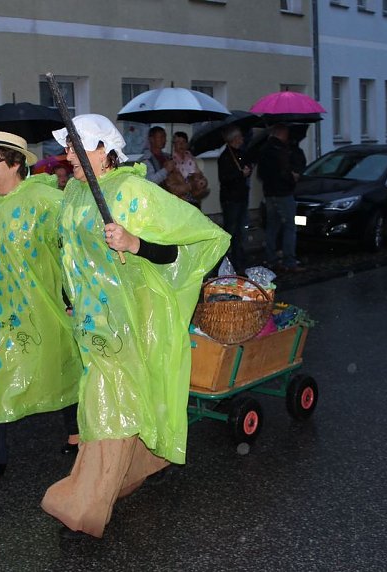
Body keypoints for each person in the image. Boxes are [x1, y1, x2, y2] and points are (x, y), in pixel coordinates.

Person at [41, 114, 229, 539]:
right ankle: (138, 465)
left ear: (102, 150)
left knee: (105, 403)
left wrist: (133, 243)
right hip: (91, 320)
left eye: (75, 145)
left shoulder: (131, 191)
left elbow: (179, 249)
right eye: (66, 145)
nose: (67, 153)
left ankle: (86, 504)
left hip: (127, 322)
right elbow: (72, 255)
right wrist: (72, 298)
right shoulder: (73, 192)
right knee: (110, 399)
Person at [0, 131, 82, 488]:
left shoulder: (44, 200)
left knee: (60, 365)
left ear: (15, 164)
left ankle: (75, 433)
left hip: (40, 305)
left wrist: (73, 300)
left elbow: (70, 251)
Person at [257, 123, 304, 272]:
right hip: (283, 193)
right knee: (290, 226)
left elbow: (262, 174)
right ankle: (289, 261)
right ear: (282, 133)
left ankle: (271, 259)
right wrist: (293, 177)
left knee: (273, 226)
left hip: (270, 194)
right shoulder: (280, 150)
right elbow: (283, 172)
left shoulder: (265, 149)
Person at [217, 125, 252, 275]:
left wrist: (247, 170)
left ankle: (239, 260)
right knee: (231, 231)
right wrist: (240, 174)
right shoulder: (225, 157)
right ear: (234, 139)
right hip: (231, 199)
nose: (242, 140)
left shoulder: (241, 153)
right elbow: (224, 178)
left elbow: (246, 165)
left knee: (240, 231)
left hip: (241, 197)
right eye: (239, 137)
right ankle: (223, 260)